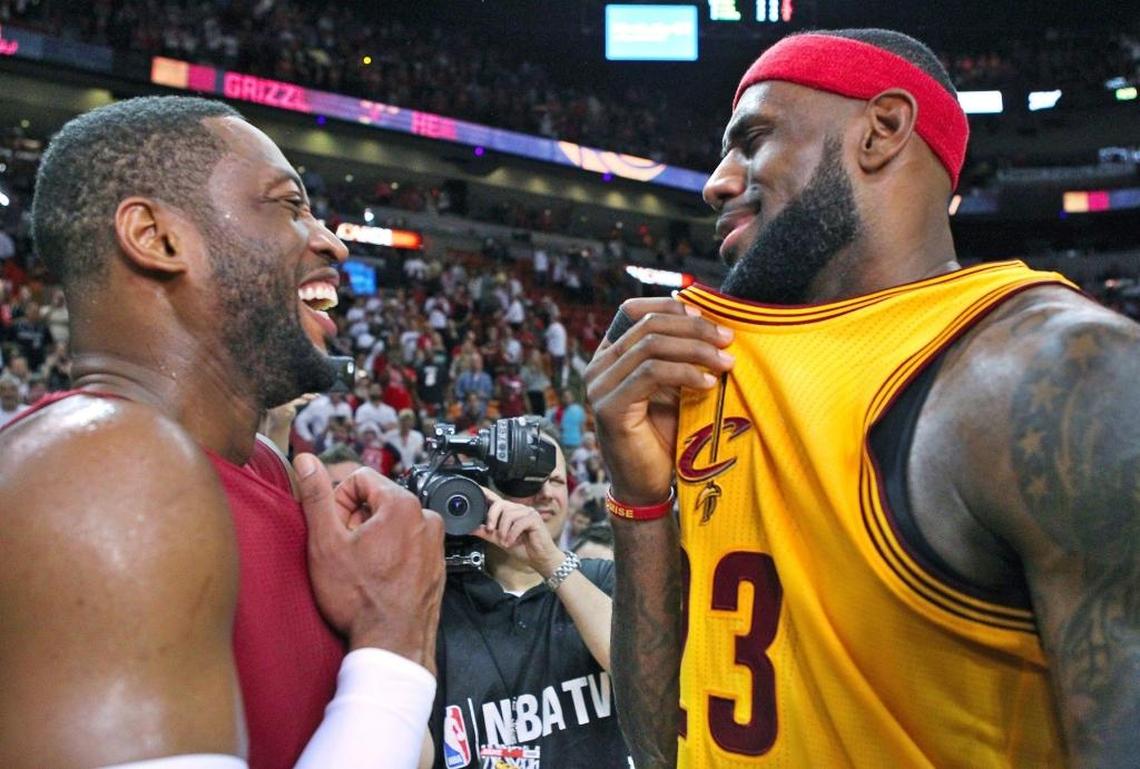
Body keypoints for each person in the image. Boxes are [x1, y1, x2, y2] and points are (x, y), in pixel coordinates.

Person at [586, 29, 1140, 769]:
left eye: (751, 138)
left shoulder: (1058, 374)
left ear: (880, 130)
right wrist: (641, 501)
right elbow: (663, 748)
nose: (716, 182)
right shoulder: (711, 369)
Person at [0, 96, 446, 769]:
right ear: (157, 237)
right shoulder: (99, 467)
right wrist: (393, 650)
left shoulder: (265, 470)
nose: (332, 241)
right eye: (288, 205)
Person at [425, 432, 631, 769]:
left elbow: (637, 669)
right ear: (484, 492)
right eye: (527, 481)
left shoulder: (600, 579)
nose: (546, 493)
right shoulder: (438, 604)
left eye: (556, 480)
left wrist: (549, 562)